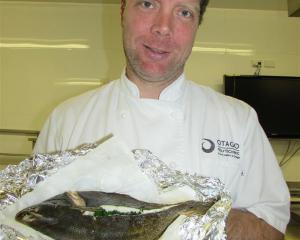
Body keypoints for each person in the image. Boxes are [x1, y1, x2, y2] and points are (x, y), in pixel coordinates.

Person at [34, 0, 290, 239]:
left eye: (184, 12)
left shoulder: (239, 120)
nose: (163, 28)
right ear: (123, 10)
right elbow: (29, 221)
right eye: (148, 3)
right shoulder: (67, 119)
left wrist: (215, 224)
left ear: (197, 26)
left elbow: (273, 224)